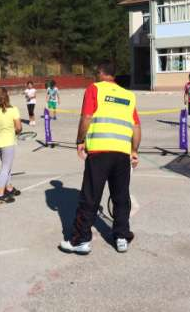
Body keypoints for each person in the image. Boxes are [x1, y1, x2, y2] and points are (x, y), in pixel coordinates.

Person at [59, 62, 141, 255]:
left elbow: (87, 117)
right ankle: (121, 237)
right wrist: (134, 150)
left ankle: (80, 241)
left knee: (90, 197)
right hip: (122, 153)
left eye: (96, 72)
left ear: (101, 73)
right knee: (121, 197)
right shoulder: (128, 95)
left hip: (99, 152)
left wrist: (79, 140)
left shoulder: (94, 89)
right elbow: (136, 127)